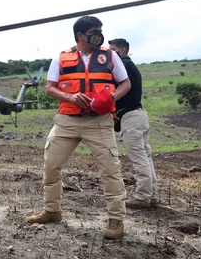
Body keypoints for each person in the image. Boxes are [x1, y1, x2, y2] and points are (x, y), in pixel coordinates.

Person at [27, 16, 130, 240]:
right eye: (95, 31)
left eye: (100, 30)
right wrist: (70, 97)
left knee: (110, 170)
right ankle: (52, 211)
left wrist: (113, 96)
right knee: (51, 165)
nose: (99, 35)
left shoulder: (110, 56)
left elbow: (125, 83)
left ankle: (116, 220)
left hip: (99, 122)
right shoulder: (62, 58)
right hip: (67, 121)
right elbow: (50, 88)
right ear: (80, 35)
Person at [109, 38, 158, 208]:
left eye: (113, 49)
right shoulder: (130, 66)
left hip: (130, 117)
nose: (110, 53)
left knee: (139, 158)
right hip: (138, 115)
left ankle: (142, 197)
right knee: (145, 156)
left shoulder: (123, 65)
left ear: (122, 50)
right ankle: (152, 196)